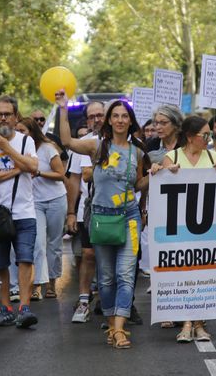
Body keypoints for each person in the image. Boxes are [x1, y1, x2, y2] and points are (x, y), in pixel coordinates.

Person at [56, 91, 147, 349]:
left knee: (126, 275)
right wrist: (63, 109)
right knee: (106, 278)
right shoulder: (96, 146)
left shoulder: (138, 152)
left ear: (130, 121)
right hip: (101, 219)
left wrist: (156, 175)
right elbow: (67, 141)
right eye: (115, 116)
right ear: (109, 121)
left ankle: (118, 329)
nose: (120, 120)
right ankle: (110, 323)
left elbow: (138, 184)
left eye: (124, 116)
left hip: (129, 218)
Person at [151, 116, 216, 343]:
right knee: (184, 274)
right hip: (180, 228)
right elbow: (160, 185)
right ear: (191, 137)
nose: (209, 139)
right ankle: (186, 322)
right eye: (205, 135)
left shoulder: (213, 157)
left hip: (207, 228)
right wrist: (159, 170)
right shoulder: (172, 157)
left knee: (203, 275)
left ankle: (199, 324)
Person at [0, 95, 39, 328]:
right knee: (0, 263)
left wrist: (6, 149)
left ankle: (24, 307)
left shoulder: (26, 141)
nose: (3, 118)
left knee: (25, 259)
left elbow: (33, 166)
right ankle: (5, 307)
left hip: (25, 211)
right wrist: (17, 169)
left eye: (7, 114)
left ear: (15, 117)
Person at [17, 116, 67, 300]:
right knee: (38, 244)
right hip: (34, 202)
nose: (19, 134)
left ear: (32, 132)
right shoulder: (17, 150)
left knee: (54, 243)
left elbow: (61, 174)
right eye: (17, 131)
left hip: (56, 199)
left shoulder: (47, 148)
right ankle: (37, 285)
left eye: (22, 131)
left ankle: (52, 283)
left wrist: (39, 173)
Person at [67, 101, 104, 323]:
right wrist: (71, 212)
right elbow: (74, 180)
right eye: (92, 116)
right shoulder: (80, 145)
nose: (96, 119)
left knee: (115, 257)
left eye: (100, 115)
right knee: (88, 255)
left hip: (117, 209)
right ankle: (83, 301)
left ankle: (115, 303)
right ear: (87, 120)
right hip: (88, 210)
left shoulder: (126, 142)